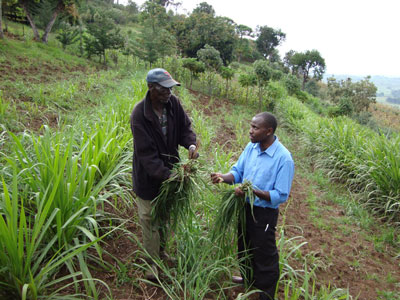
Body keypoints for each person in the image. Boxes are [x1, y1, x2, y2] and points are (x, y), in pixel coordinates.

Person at [211, 112, 294, 300]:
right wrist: (223, 177)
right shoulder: (252, 147)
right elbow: (238, 172)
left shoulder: (284, 158)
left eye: (255, 128)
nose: (250, 131)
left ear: (268, 131)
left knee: (264, 253)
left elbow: (280, 195)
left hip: (263, 213)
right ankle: (248, 279)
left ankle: (265, 293)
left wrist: (251, 191)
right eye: (251, 126)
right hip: (244, 208)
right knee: (245, 246)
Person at [130, 68, 198, 280]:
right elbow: (147, 155)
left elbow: (185, 127)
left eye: (171, 88)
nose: (169, 92)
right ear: (151, 88)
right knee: (150, 218)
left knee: (165, 216)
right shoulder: (139, 114)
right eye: (164, 89)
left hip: (171, 174)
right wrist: (169, 176)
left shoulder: (173, 104)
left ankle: (161, 252)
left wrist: (191, 144)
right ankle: (151, 265)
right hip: (149, 177)